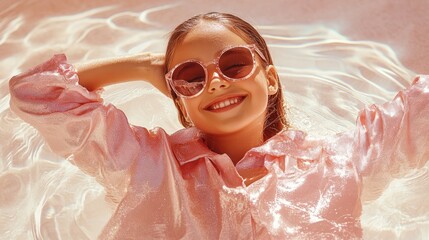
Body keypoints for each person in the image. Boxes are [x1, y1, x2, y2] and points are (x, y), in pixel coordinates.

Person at [8, 12, 429, 239]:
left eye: (234, 63)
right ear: (180, 102)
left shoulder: (342, 161)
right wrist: (143, 67)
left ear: (270, 77)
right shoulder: (146, 164)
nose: (215, 81)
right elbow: (36, 93)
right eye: (190, 77)